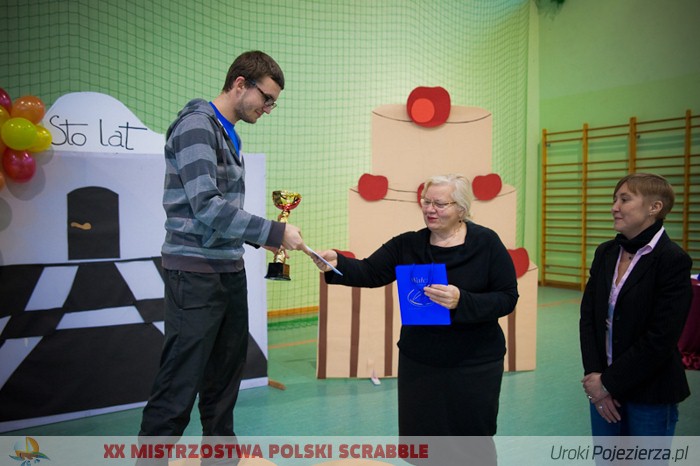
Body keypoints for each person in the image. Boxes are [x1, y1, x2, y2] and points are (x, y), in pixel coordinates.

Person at [138, 51, 305, 445]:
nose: (268, 108)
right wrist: (273, 233)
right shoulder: (196, 126)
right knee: (179, 383)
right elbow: (207, 205)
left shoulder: (230, 134)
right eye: (266, 98)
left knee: (225, 379)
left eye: (273, 102)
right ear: (240, 84)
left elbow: (222, 214)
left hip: (228, 269)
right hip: (194, 274)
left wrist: (261, 239)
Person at [311, 174, 518, 464]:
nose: (430, 209)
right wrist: (337, 263)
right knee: (423, 441)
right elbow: (370, 272)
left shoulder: (486, 242)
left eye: (440, 204)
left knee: (471, 441)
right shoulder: (408, 244)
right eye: (426, 201)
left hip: (474, 363)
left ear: (461, 208)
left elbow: (507, 297)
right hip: (420, 362)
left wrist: (462, 300)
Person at [580, 173, 693, 440]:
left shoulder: (673, 260)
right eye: (614, 199)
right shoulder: (606, 253)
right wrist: (595, 377)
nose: (614, 207)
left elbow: (660, 338)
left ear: (655, 207)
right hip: (602, 389)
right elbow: (589, 319)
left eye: (625, 199)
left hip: (650, 393)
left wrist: (607, 383)